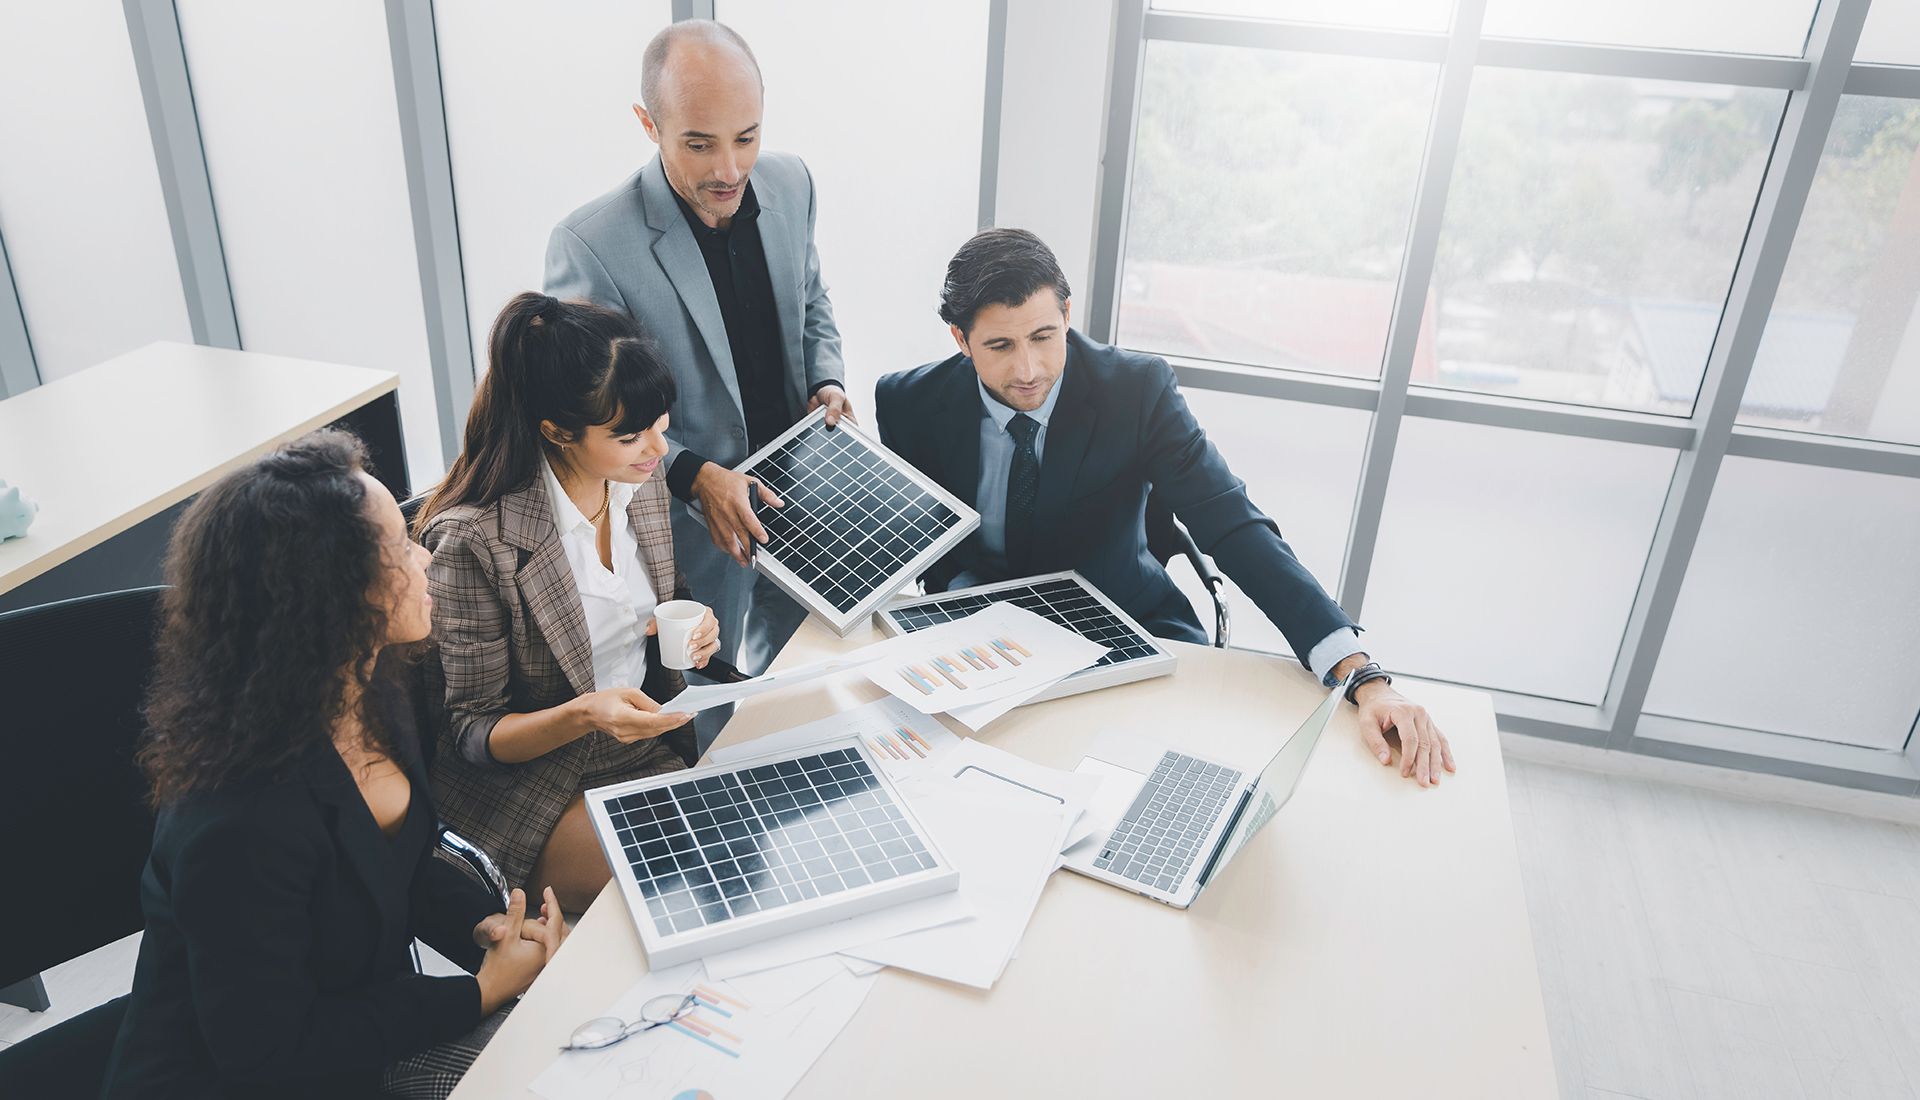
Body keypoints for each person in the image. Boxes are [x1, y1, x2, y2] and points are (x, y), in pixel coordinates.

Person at [876, 229, 1456, 787]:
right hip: (982, 642)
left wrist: (1362, 674)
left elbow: (1232, 523)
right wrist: (965, 595)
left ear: (1068, 315)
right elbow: (927, 540)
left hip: (1124, 624)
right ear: (959, 339)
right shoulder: (908, 403)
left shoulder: (1135, 390)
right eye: (1000, 346)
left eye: (1044, 337)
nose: (1029, 370)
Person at [102, 431, 567, 1099]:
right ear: (332, 595)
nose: (425, 555)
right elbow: (271, 1056)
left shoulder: (373, 688)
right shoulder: (239, 821)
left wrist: (481, 928)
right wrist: (476, 995)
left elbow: (395, 858)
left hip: (353, 1032)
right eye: (402, 546)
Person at [545, 19, 848, 752]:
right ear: (648, 124)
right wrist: (691, 475)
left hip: (799, 498)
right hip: (683, 540)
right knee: (706, 740)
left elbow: (811, 299)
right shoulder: (590, 245)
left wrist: (828, 379)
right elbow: (590, 416)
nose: (729, 167)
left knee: (807, 708)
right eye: (699, 143)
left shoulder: (793, 181)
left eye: (745, 136)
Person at [414, 293, 720, 913]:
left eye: (662, 423)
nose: (660, 451)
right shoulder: (476, 542)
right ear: (557, 431)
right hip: (533, 781)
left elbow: (668, 598)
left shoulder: (640, 479)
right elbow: (474, 733)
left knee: (736, 843)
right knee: (679, 877)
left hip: (641, 746)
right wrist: (586, 713)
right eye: (631, 435)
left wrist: (695, 627)